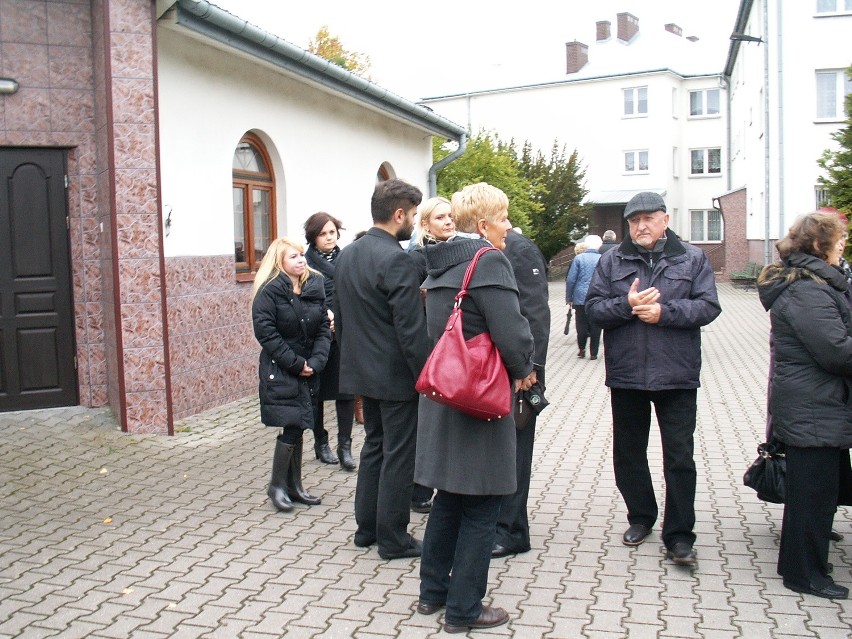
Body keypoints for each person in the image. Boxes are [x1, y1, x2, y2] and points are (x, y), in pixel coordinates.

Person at [415, 182, 536, 633]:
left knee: (449, 497)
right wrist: (524, 368)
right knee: (484, 505)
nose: (509, 226)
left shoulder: (440, 262)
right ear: (483, 225)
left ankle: (432, 593)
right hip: (481, 399)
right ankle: (464, 609)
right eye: (503, 218)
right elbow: (511, 330)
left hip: (448, 393)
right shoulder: (489, 261)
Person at [585, 191, 721, 566]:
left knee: (679, 457)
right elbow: (594, 309)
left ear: (665, 219)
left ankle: (679, 535)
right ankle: (641, 516)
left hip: (676, 374)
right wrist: (626, 306)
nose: (641, 226)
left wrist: (665, 312)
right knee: (628, 453)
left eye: (648, 218)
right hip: (627, 373)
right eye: (633, 221)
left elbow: (709, 306)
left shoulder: (692, 258)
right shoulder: (612, 260)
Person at [757, 211, 852, 599]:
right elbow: (836, 352)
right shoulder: (807, 291)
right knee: (812, 497)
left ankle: (802, 563)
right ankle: (805, 574)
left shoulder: (814, 283)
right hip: (813, 406)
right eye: (839, 239)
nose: (843, 245)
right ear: (818, 245)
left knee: (812, 495)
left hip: (818, 404)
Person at [335, 178, 430, 560]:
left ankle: (367, 529)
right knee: (399, 454)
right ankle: (393, 538)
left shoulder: (348, 254)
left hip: (362, 372)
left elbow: (340, 318)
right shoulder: (397, 259)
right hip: (396, 376)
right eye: (413, 215)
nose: (414, 223)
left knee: (375, 446)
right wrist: (427, 377)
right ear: (398, 214)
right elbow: (411, 330)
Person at [251, 237, 331, 513]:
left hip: (309, 367)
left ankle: (293, 486)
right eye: (293, 256)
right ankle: (277, 486)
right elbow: (267, 334)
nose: (301, 260)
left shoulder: (314, 285)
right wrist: (297, 364)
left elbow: (323, 327)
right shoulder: (269, 292)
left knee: (299, 423)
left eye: (301, 255)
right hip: (282, 369)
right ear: (279, 262)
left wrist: (317, 361)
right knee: (293, 423)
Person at [491, 227, 550, 558]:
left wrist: (531, 369)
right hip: (499, 372)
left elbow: (536, 314)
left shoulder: (520, 250)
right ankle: (498, 523)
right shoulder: (492, 249)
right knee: (502, 450)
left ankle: (513, 531)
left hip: (521, 375)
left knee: (515, 450)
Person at [409, 195, 455, 514]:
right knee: (426, 423)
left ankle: (441, 486)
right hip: (426, 347)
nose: (449, 221)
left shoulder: (457, 253)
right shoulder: (416, 258)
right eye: (440, 217)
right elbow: (410, 309)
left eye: (451, 216)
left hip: (450, 348)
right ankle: (419, 491)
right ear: (425, 224)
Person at [304, 212, 356, 470]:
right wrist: (323, 315)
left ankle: (345, 446)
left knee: (345, 391)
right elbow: (300, 299)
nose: (328, 238)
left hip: (345, 334)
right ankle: (320, 442)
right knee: (317, 392)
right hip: (316, 336)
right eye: (322, 234)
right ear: (313, 237)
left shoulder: (347, 259)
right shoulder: (304, 263)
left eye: (332, 233)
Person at [565, 234, 603, 360]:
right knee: (596, 324)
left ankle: (581, 349)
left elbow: (571, 280)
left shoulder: (579, 259)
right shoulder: (603, 258)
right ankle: (594, 353)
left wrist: (569, 297)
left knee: (581, 323)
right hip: (598, 295)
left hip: (580, 296)